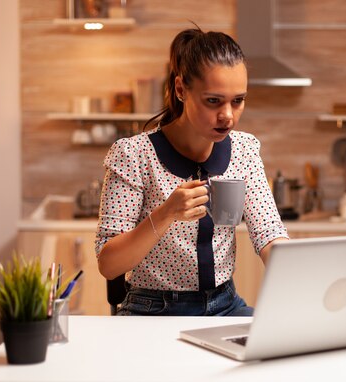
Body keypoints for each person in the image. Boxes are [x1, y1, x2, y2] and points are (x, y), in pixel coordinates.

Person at [95, 26, 288, 316]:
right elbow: (108, 264)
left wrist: (303, 280)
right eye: (214, 101)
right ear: (181, 89)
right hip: (151, 310)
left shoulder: (245, 150)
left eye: (238, 101)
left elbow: (269, 234)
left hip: (225, 305)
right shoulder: (134, 155)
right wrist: (167, 212)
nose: (227, 115)